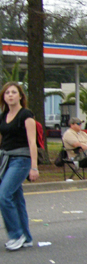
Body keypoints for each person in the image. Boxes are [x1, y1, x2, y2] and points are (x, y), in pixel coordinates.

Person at [0, 82, 39, 251]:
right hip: (6, 159)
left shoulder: (26, 115)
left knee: (3, 195)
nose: (10, 95)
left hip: (21, 160)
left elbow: (32, 141)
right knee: (16, 199)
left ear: (21, 96)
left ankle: (16, 235)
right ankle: (26, 237)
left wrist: (34, 167)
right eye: (7, 92)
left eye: (14, 92)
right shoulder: (3, 116)